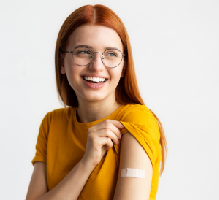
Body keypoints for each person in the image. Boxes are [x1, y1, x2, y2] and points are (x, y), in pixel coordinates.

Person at [26, 4, 167, 200]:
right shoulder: (52, 124)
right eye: (83, 52)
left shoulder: (137, 121)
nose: (97, 66)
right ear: (61, 63)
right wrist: (87, 162)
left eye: (111, 54)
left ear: (124, 66)